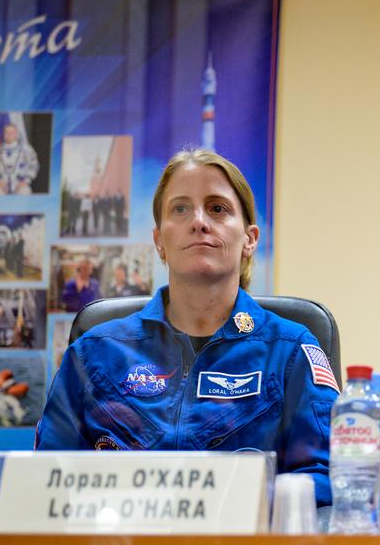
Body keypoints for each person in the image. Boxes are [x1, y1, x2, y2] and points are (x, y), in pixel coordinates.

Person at [36, 149, 340, 507]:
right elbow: (44, 483)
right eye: (180, 209)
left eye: (217, 208)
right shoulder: (92, 354)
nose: (198, 221)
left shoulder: (291, 351)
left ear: (249, 239)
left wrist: (227, 498)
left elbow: (331, 478)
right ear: (159, 241)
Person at [0, 122, 40, 195]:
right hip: (1, 184)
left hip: (20, 184)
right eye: (7, 132)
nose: (9, 134)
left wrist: (26, 181)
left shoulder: (26, 149)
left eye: (12, 132)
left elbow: (34, 166)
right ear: (4, 134)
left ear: (17, 134)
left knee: (24, 192)